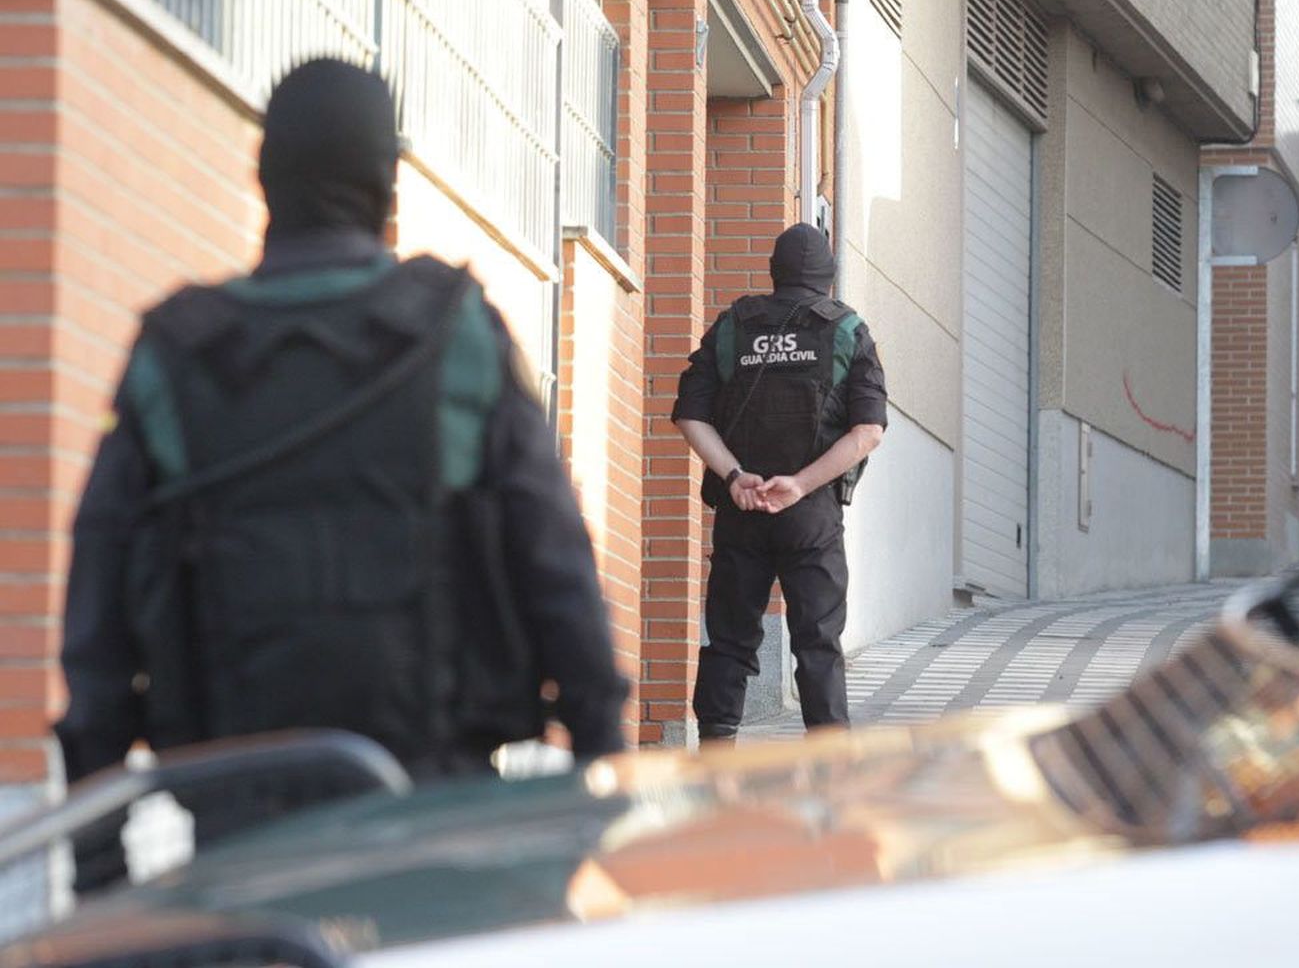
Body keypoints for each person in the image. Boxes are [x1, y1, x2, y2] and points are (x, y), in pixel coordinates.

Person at [55, 59, 626, 879]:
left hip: (238, 826)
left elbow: (98, 602)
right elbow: (555, 555)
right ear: (388, 186)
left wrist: (97, 856)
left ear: (264, 178)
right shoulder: (454, 335)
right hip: (434, 810)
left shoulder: (175, 355)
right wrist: (596, 763)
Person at [672, 223, 887, 744]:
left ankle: (716, 761)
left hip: (740, 510)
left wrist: (736, 475)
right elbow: (867, 432)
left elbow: (689, 416)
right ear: (828, 278)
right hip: (810, 515)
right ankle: (829, 770)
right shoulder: (846, 329)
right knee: (817, 642)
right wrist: (799, 484)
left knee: (728, 639)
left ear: (775, 271)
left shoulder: (732, 326)